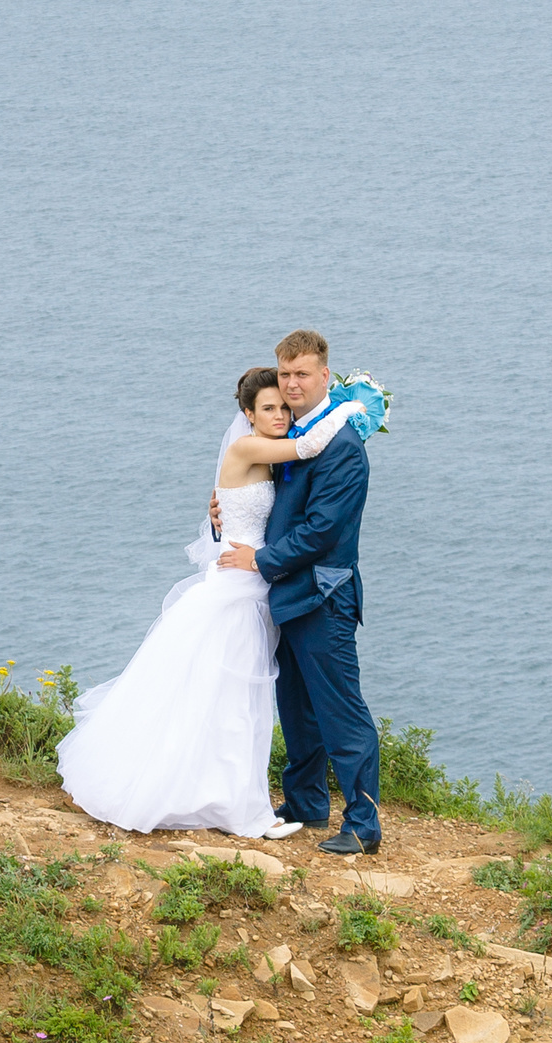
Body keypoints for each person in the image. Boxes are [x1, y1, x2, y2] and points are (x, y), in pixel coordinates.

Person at [55, 366, 360, 839]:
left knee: (236, 700)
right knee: (237, 702)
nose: (280, 414)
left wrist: (219, 512)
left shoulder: (266, 454)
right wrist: (357, 404)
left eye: (283, 405)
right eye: (269, 407)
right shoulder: (249, 446)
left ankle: (231, 797)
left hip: (258, 586)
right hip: (239, 589)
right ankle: (243, 811)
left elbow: (270, 498)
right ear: (247, 413)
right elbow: (307, 446)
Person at [217, 329, 384, 855]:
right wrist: (223, 510)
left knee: (340, 711)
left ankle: (363, 825)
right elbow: (257, 497)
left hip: (323, 596)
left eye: (302, 374)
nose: (291, 384)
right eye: (285, 374)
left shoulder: (342, 447)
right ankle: (307, 803)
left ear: (325, 378)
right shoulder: (287, 434)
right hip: (284, 594)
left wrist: (257, 559)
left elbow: (323, 530)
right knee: (296, 707)